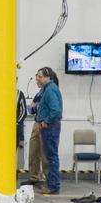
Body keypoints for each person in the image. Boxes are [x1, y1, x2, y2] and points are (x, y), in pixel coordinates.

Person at [34, 67, 63, 195]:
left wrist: (46, 121)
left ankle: (53, 186)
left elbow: (55, 110)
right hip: (50, 127)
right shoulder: (49, 89)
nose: (37, 79)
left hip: (49, 127)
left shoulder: (50, 90)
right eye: (37, 76)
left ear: (48, 77)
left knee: (51, 158)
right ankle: (52, 184)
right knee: (51, 156)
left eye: (40, 76)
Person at [27, 88, 45, 182]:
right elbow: (31, 109)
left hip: (45, 124)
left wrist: (35, 107)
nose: (37, 79)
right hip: (37, 123)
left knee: (45, 154)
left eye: (39, 77)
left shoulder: (50, 92)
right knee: (33, 152)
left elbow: (41, 108)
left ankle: (47, 180)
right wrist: (35, 107)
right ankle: (34, 178)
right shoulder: (39, 93)